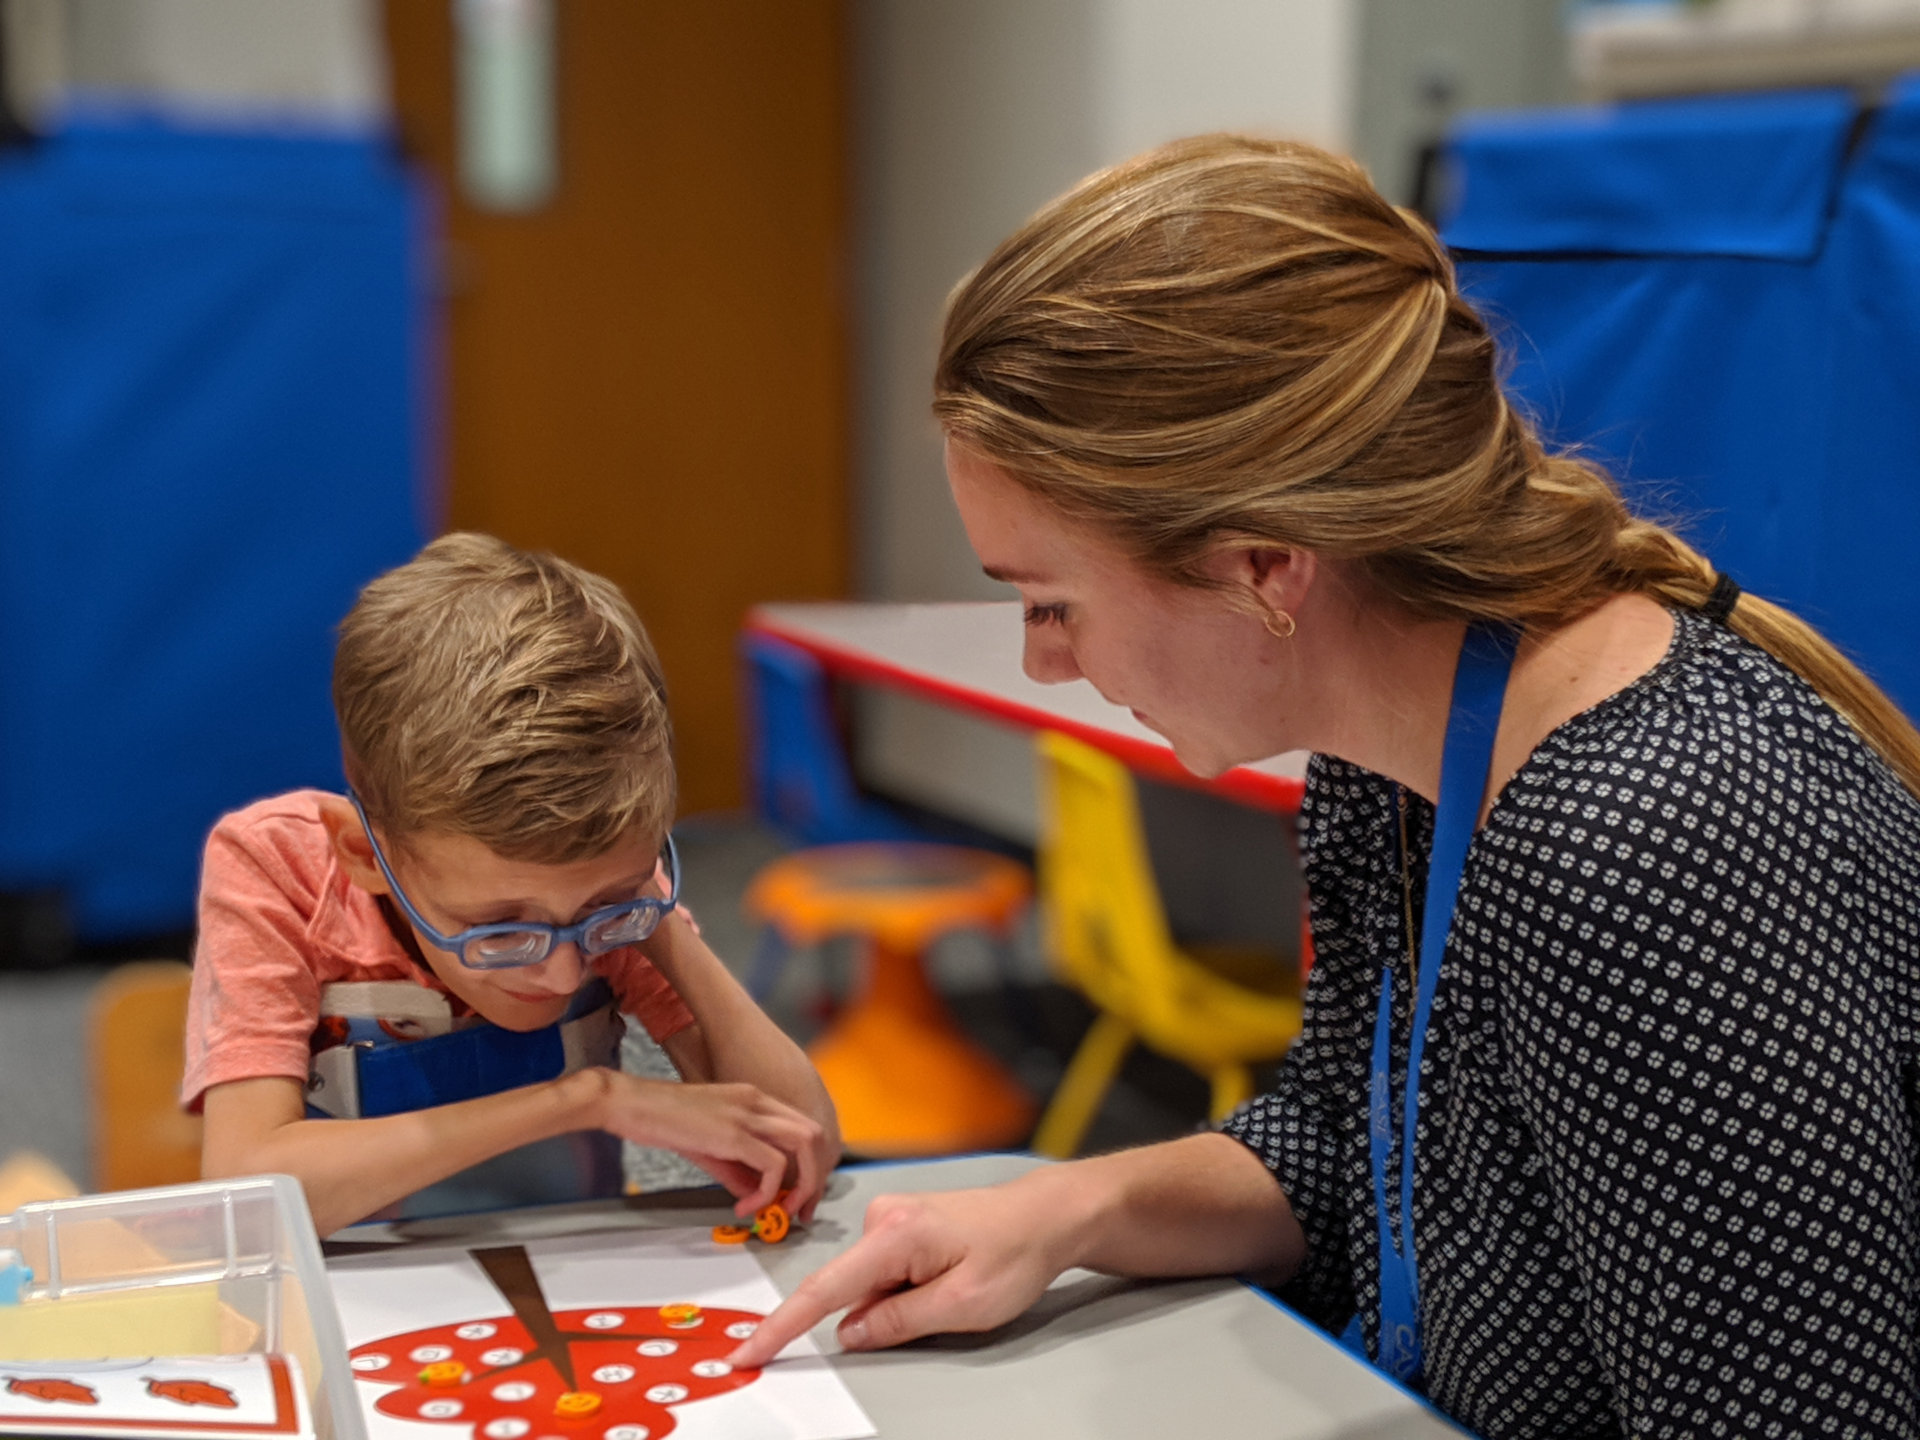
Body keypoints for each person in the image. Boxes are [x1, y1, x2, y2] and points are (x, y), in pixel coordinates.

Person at [731, 134, 1920, 1438]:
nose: (1044, 662)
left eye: (1054, 603)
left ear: (1262, 565)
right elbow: (1348, 1152)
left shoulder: (1643, 843)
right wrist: (1070, 1210)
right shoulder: (1384, 763)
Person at [184, 533, 839, 1235]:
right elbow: (251, 1195)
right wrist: (588, 1099)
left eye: (601, 912)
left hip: (565, 1278)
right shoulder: (277, 869)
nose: (562, 971)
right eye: (501, 930)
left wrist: (655, 921)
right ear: (363, 852)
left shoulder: (605, 892)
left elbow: (803, 1144)